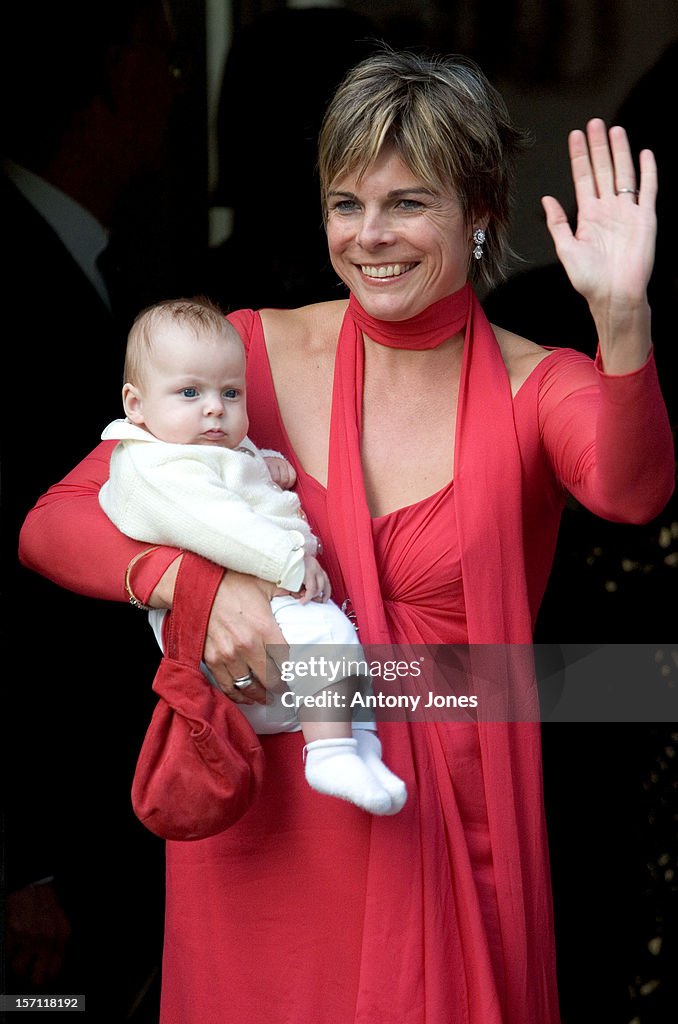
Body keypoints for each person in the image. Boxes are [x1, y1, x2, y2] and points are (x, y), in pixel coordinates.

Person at [18, 47, 674, 1024]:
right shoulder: (242, 355)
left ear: (479, 207)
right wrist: (192, 588)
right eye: (346, 203)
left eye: (408, 203)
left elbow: (632, 487)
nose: (371, 236)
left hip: (450, 836)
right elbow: (52, 523)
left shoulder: (539, 382)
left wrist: (622, 320)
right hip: (266, 830)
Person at [1, 1, 183, 1015]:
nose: (175, 85)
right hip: (46, 862)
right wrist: (21, 863)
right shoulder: (22, 279)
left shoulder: (98, 270)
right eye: (164, 53)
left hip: (101, 835)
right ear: (117, 70)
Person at [99, 296, 407, 814]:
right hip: (236, 631)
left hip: (266, 614)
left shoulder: (198, 449)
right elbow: (221, 525)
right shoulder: (152, 466)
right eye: (190, 392)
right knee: (329, 638)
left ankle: (361, 749)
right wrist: (289, 560)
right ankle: (330, 752)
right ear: (136, 404)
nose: (215, 406)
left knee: (345, 651)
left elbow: (229, 475)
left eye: (231, 392)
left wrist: (266, 462)